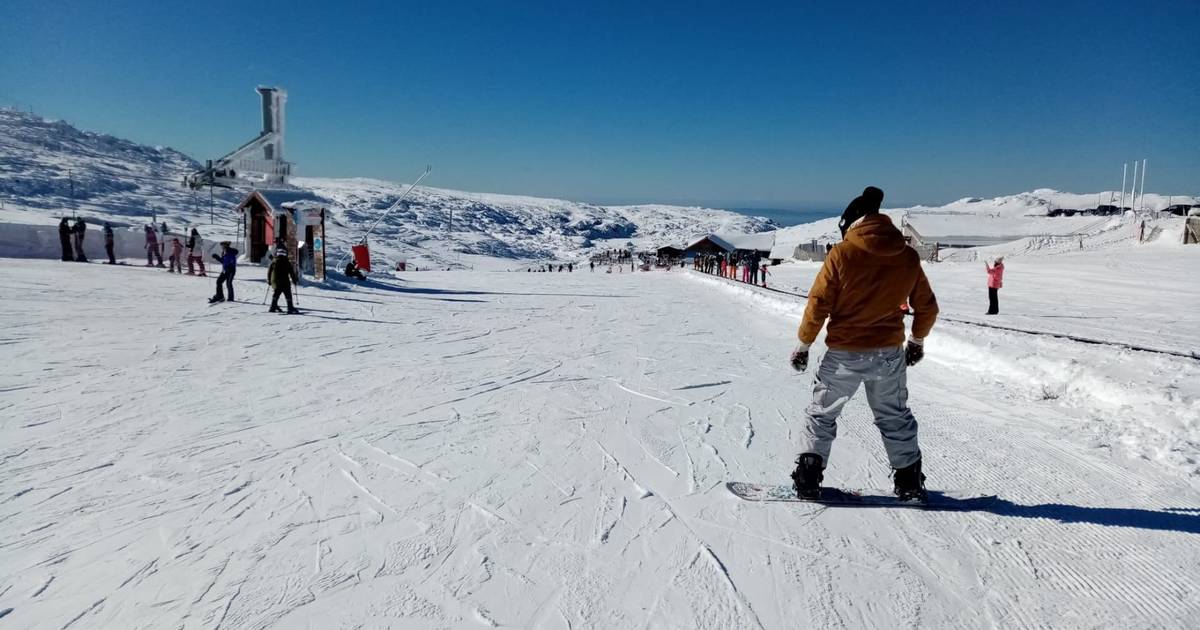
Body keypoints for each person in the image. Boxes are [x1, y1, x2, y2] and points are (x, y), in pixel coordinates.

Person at [789, 186, 939, 503]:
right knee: (894, 416)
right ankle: (909, 480)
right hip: (888, 355)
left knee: (822, 414)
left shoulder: (842, 254)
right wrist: (917, 340)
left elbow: (818, 304)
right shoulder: (908, 256)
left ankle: (808, 478)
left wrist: (804, 345)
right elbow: (927, 306)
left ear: (851, 223)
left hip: (844, 353)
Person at [267, 249, 300, 314]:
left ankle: (273, 307)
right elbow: (291, 273)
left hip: (276, 281)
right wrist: (294, 281)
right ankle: (290, 308)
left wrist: (269, 281)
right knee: (288, 294)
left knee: (276, 293)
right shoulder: (286, 262)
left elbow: (269, 272)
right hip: (285, 282)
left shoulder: (274, 261)